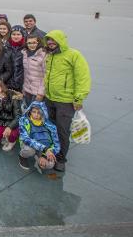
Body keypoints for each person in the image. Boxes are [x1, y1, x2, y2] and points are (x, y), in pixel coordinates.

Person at [44, 30, 91, 172]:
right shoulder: (50, 56)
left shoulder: (73, 55)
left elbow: (82, 77)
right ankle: (51, 153)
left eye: (53, 40)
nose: (51, 43)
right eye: (49, 40)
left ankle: (61, 159)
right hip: (50, 98)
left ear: (61, 41)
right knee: (50, 127)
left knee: (62, 130)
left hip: (66, 101)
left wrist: (79, 98)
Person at [18, 101, 60, 174]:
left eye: (39, 112)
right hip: (31, 146)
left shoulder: (50, 126)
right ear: (30, 111)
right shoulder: (24, 121)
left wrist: (45, 155)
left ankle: (39, 158)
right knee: (30, 151)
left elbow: (57, 144)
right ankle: (22, 156)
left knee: (50, 164)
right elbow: (25, 139)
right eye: (34, 112)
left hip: (45, 150)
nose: (36, 115)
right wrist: (45, 149)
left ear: (43, 113)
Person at [0, 80, 21, 152]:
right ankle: (4, 136)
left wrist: (9, 127)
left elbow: (18, 116)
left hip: (12, 123)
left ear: (1, 86)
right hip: (1, 122)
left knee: (13, 135)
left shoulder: (13, 96)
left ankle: (12, 142)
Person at [21, 34, 47, 109]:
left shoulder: (43, 54)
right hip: (27, 90)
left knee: (36, 114)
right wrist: (24, 88)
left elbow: (46, 75)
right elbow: (26, 73)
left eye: (34, 43)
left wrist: (41, 93)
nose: (31, 45)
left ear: (38, 43)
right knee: (28, 113)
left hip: (37, 92)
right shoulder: (25, 53)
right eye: (29, 43)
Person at [5, 25, 26, 92]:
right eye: (13, 34)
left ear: (22, 35)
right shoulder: (6, 47)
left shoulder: (26, 48)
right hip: (7, 82)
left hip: (23, 84)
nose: (16, 36)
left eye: (18, 34)